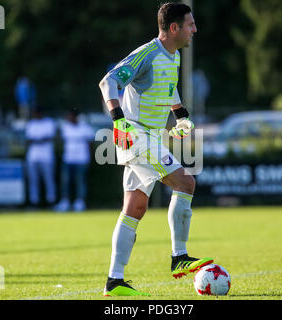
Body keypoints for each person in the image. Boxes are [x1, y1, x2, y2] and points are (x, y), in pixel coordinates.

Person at [98, 2, 213, 297]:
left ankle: (114, 281)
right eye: (190, 24)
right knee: (186, 182)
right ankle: (179, 258)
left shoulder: (172, 56)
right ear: (174, 28)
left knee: (135, 208)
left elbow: (168, 87)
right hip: (135, 134)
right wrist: (117, 120)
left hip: (150, 137)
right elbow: (108, 80)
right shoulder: (147, 54)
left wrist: (182, 116)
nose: (194, 30)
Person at [55, 109, 95, 212]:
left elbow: (90, 144)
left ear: (75, 117)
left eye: (70, 116)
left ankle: (79, 202)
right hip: (68, 158)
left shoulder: (85, 128)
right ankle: (65, 202)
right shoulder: (65, 127)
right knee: (65, 181)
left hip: (82, 159)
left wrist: (89, 158)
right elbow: (60, 141)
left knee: (80, 181)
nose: (68, 118)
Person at [25, 107, 57, 207]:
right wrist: (40, 139)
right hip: (33, 156)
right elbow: (28, 140)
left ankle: (51, 201)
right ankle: (34, 201)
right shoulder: (31, 124)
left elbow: (49, 137)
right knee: (33, 180)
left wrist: (37, 140)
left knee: (49, 179)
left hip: (46, 156)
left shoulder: (49, 123)